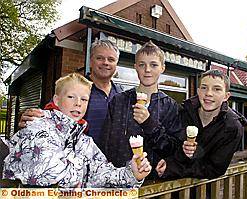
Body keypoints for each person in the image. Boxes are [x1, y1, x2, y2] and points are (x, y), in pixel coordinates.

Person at [3, 73, 151, 188]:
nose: (78, 104)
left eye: (84, 99)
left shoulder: (84, 140)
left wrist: (132, 174)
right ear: (56, 99)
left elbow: (104, 174)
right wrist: (88, 170)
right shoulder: (38, 125)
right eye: (71, 97)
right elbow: (50, 173)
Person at [98, 41, 182, 178]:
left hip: (152, 183)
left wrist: (149, 123)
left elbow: (172, 149)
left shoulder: (170, 106)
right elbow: (104, 143)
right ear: (135, 67)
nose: (147, 70)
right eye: (142, 65)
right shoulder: (119, 100)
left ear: (162, 68)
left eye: (153, 65)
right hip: (117, 180)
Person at [18, 39, 123, 142]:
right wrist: (33, 118)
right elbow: (51, 115)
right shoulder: (75, 88)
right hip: (79, 156)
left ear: (116, 64)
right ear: (90, 61)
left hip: (114, 158)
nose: (105, 63)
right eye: (100, 58)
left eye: (111, 59)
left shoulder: (121, 93)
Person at [156, 69, 246, 179]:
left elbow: (215, 168)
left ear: (226, 96)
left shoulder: (232, 127)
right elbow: (169, 145)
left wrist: (174, 168)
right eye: (204, 88)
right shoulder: (183, 112)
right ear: (198, 91)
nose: (208, 93)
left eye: (217, 89)